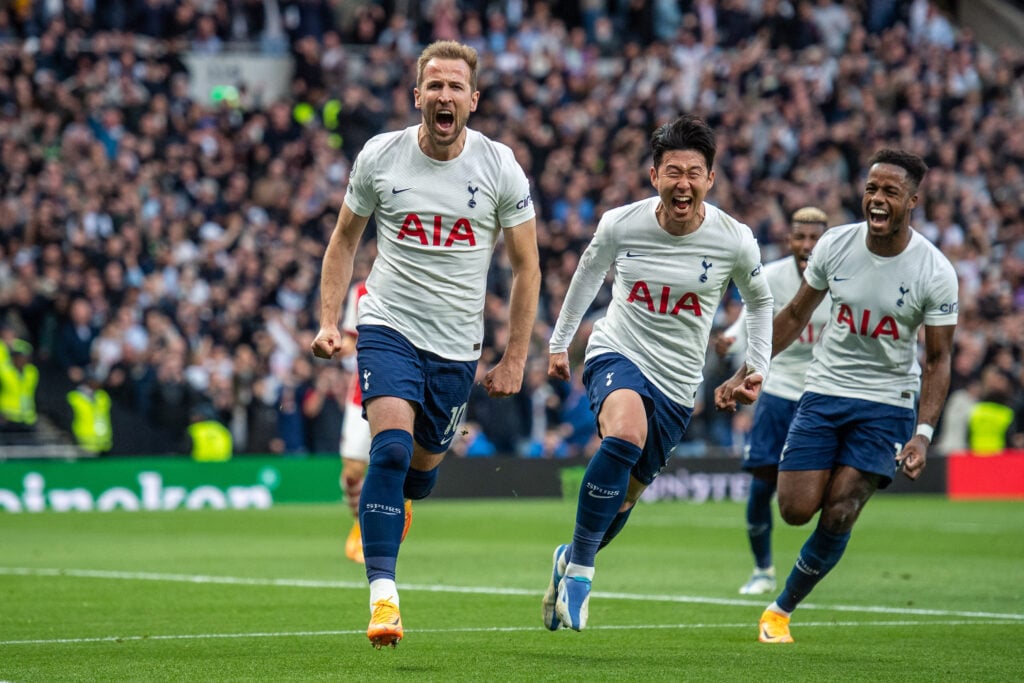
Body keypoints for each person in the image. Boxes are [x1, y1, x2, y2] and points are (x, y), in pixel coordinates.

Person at [310, 40, 541, 649]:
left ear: (473, 99)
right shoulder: (380, 156)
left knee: (416, 478)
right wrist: (331, 321)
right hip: (387, 325)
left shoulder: (500, 167)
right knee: (386, 451)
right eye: (433, 85)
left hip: (456, 349)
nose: (444, 96)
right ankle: (383, 597)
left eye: (455, 87)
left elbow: (527, 267)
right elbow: (343, 242)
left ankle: (398, 508)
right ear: (418, 96)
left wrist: (515, 356)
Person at [715, 148, 959, 644]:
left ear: (912, 200)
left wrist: (924, 434)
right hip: (824, 391)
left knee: (842, 508)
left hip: (888, 401)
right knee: (795, 509)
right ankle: (829, 508)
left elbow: (937, 361)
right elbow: (795, 316)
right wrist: (749, 370)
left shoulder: (935, 271)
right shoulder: (836, 245)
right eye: (872, 188)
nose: (877, 198)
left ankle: (781, 610)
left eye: (890, 191)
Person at [543, 114, 773, 632]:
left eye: (694, 172)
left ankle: (569, 555)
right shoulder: (621, 224)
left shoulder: (734, 240)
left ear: (710, 179)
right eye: (673, 171)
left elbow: (759, 301)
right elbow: (587, 275)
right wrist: (560, 344)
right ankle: (580, 573)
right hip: (617, 349)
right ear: (654, 176)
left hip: (677, 382)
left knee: (625, 497)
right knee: (624, 434)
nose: (683, 183)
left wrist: (756, 367)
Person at [714, 207, 831, 596]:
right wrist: (732, 335)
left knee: (828, 492)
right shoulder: (774, 275)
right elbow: (754, 312)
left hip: (822, 391)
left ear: (826, 240)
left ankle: (817, 566)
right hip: (779, 390)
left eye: (815, 238)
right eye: (801, 237)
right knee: (762, 485)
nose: (807, 245)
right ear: (790, 240)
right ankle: (763, 570)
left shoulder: (841, 278)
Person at [337, 280, 412, 565]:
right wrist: (340, 345)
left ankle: (371, 530)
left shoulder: (414, 284)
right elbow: (350, 338)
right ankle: (359, 521)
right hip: (362, 391)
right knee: (353, 469)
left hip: (403, 386)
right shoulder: (360, 291)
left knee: (397, 457)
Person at [0, 339, 39, 432]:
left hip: (27, 417)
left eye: (26, 357)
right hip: (7, 418)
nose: (23, 360)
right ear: (14, 357)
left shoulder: (31, 372)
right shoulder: (3, 371)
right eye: (21, 357)